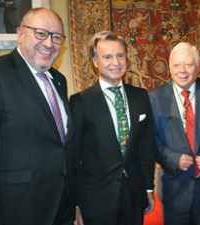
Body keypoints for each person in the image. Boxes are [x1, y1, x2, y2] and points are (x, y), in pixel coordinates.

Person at [0, 8, 75, 225]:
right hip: (16, 211)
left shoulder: (58, 80)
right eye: (41, 33)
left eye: (57, 37)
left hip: (61, 207)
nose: (49, 43)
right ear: (20, 34)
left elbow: (59, 144)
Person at [70, 30, 155, 225]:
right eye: (107, 57)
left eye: (120, 55)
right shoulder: (79, 102)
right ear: (94, 61)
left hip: (134, 195)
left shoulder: (140, 96)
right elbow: (72, 158)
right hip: (95, 199)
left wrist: (148, 189)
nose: (115, 63)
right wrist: (74, 204)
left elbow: (146, 147)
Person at [149, 42, 200, 225]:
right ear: (169, 68)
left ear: (198, 67)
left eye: (188, 64)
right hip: (173, 190)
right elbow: (150, 140)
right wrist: (173, 158)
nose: (182, 70)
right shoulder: (154, 98)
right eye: (176, 65)